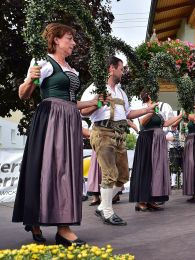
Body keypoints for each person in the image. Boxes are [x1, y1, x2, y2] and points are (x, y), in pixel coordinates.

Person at [12, 23, 102, 246]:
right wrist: (30, 79)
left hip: (70, 118)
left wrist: (94, 102)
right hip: (51, 119)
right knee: (48, 168)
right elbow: (23, 94)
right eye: (69, 38)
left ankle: (63, 228)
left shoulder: (70, 68)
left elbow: (71, 101)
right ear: (56, 40)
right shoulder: (43, 62)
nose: (73, 43)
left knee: (67, 171)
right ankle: (37, 220)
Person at [81, 56, 157, 225]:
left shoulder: (121, 92)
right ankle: (107, 212)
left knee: (122, 176)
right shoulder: (96, 87)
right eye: (121, 69)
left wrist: (147, 109)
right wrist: (98, 103)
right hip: (102, 132)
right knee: (110, 174)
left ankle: (102, 205)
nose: (123, 72)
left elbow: (128, 114)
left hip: (119, 135)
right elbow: (83, 111)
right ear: (111, 69)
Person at [129, 90, 182, 211]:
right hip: (147, 140)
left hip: (158, 141)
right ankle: (141, 200)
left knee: (156, 169)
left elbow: (164, 123)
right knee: (146, 169)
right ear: (148, 96)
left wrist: (179, 116)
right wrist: (150, 110)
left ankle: (152, 198)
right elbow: (142, 122)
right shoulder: (142, 108)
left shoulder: (157, 109)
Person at [86, 119, 139, 206]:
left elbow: (126, 116)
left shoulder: (118, 112)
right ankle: (100, 201)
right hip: (100, 139)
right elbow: (85, 112)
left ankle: (108, 200)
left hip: (114, 140)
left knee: (120, 174)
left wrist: (136, 128)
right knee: (103, 172)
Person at [166, 125, 183, 189]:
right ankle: (173, 184)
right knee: (174, 167)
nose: (174, 127)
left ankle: (182, 184)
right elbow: (170, 138)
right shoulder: (168, 132)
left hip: (180, 150)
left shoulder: (179, 132)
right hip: (173, 150)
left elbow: (183, 138)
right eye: (173, 126)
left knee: (182, 167)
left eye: (175, 126)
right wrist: (178, 137)